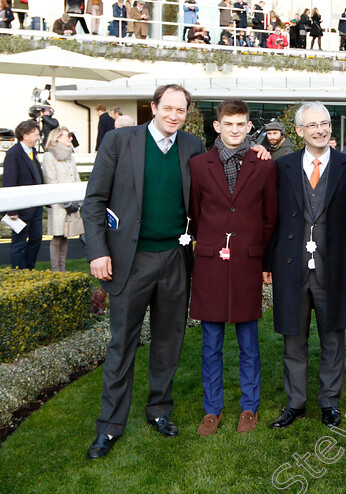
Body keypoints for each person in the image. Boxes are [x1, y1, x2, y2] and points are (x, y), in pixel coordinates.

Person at [82, 85, 207, 460]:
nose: (173, 115)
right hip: (128, 261)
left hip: (174, 259)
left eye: (180, 110)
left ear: (187, 113)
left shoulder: (192, 146)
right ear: (153, 107)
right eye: (167, 108)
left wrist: (259, 150)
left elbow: (218, 176)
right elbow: (94, 201)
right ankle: (109, 426)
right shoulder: (120, 141)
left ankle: (158, 411)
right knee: (122, 345)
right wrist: (98, 251)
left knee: (169, 342)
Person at [266, 102, 346, 431]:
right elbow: (271, 219)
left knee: (333, 338)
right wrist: (268, 263)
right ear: (299, 132)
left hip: (334, 268)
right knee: (293, 339)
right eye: (312, 125)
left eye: (325, 123)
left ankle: (330, 402)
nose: (321, 130)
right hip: (291, 268)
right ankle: (295, 402)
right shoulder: (283, 167)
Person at [188, 99, 278, 437]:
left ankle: (248, 407)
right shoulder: (199, 165)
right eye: (229, 124)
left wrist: (259, 254)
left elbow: (270, 216)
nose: (235, 130)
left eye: (241, 124)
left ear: (248, 126)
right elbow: (195, 213)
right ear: (218, 126)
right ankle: (212, 410)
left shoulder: (263, 164)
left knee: (248, 342)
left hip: (248, 261)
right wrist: (212, 241)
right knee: (210, 343)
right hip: (211, 261)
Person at [2, 120, 44, 270]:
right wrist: (12, 209)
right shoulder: (13, 154)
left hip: (36, 206)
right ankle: (19, 272)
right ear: (25, 135)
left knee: (36, 239)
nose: (39, 137)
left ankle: (29, 270)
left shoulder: (33, 152)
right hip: (21, 208)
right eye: (36, 134)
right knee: (19, 243)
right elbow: (9, 182)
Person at [42, 127, 82, 272]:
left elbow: (76, 178)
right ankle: (55, 270)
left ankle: (63, 269)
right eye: (67, 136)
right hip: (58, 204)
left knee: (66, 236)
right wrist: (66, 202)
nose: (70, 138)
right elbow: (51, 181)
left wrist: (77, 201)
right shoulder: (49, 156)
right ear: (57, 138)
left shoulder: (70, 156)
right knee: (57, 236)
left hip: (72, 202)